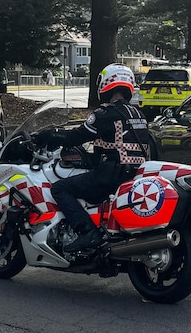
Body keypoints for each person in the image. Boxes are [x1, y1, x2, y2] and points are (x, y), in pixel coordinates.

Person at [35, 63, 150, 252]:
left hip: (112, 175)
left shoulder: (105, 114)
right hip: (135, 175)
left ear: (106, 84)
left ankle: (87, 231)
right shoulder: (139, 114)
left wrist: (50, 134)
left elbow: (74, 137)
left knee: (60, 188)